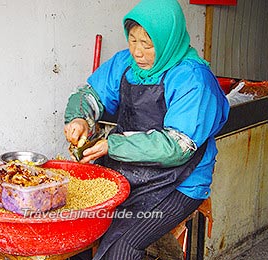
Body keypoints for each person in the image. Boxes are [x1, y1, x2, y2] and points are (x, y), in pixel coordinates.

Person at [63, 0, 230, 259]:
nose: (138, 52)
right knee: (80, 230)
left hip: (180, 182)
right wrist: (80, 119)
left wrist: (112, 145)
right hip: (127, 171)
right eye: (132, 41)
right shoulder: (125, 64)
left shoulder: (192, 78)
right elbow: (90, 93)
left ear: (167, 40)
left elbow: (175, 147)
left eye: (148, 44)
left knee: (123, 248)